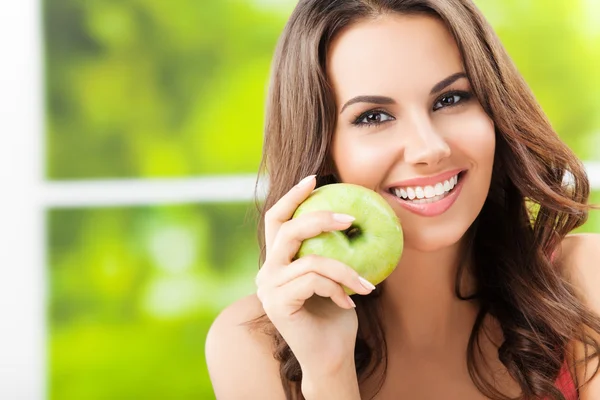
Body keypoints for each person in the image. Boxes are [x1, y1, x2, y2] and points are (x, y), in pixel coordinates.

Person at [205, 0, 600, 399]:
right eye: (374, 116)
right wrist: (328, 370)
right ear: (323, 148)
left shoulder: (585, 283)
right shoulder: (250, 346)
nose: (428, 148)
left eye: (450, 99)